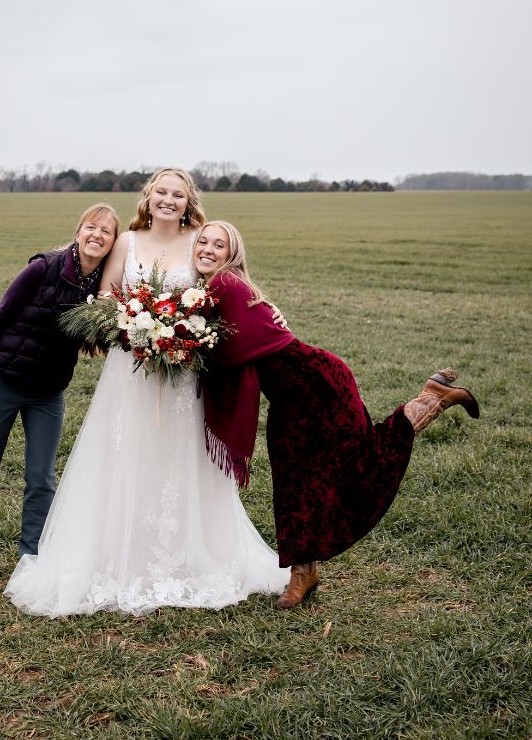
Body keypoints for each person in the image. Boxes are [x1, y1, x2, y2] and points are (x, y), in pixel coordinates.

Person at [4, 169, 290, 616]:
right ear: (148, 196)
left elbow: (222, 289)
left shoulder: (200, 240)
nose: (169, 200)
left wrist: (240, 317)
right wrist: (138, 328)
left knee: (178, 455)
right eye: (162, 192)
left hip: (182, 374)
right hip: (130, 369)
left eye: (179, 194)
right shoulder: (128, 242)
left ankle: (187, 553)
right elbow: (104, 299)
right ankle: (120, 554)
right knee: (125, 453)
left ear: (189, 200)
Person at [193, 221, 480, 609]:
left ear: (232, 255)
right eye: (203, 241)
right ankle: (303, 573)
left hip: (318, 386)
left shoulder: (224, 285)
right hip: (289, 399)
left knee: (356, 462)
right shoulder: (212, 292)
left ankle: (432, 398)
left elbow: (227, 353)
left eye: (219, 244)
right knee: (294, 482)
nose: (209, 249)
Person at [0, 203, 120, 586]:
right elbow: (2, 313)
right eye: (91, 227)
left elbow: (102, 337)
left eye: (106, 232)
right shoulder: (43, 267)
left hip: (48, 393)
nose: (97, 236)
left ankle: (31, 557)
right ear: (78, 231)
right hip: (2, 380)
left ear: (112, 244)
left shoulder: (102, 287)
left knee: (41, 478)